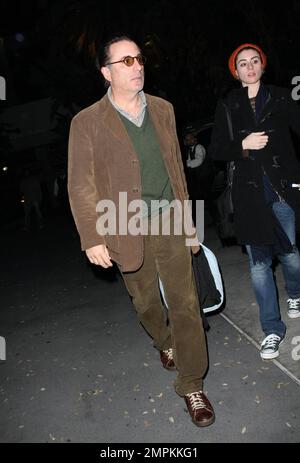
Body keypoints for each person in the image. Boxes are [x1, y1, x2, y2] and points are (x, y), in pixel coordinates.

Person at [68, 35, 215, 427]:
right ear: (106, 72)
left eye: (140, 59)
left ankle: (192, 383)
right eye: (126, 60)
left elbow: (176, 169)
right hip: (121, 220)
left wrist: (190, 223)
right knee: (146, 301)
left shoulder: (163, 109)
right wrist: (92, 236)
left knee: (186, 302)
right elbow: (80, 183)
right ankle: (163, 341)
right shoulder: (86, 122)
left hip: (169, 215)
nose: (137, 66)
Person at [209, 43, 300, 360]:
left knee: (291, 255)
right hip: (248, 196)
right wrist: (243, 145)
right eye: (243, 63)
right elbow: (217, 149)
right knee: (259, 266)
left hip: (281, 190)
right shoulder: (228, 104)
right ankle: (272, 331)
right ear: (236, 71)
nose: (249, 67)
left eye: (255, 61)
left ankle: (295, 293)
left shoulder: (281, 96)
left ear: (263, 65)